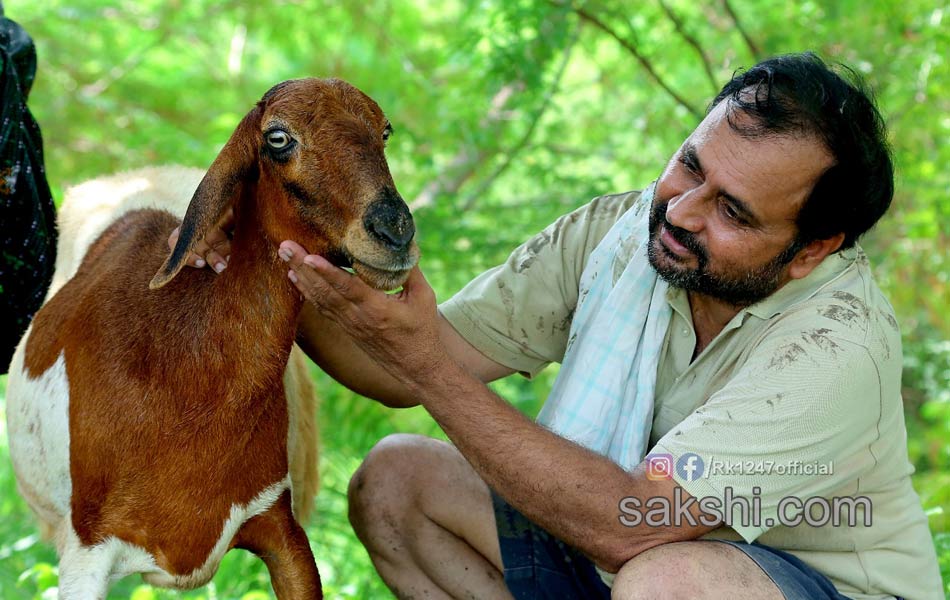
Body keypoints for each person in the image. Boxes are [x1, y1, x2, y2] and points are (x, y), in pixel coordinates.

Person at [177, 53, 943, 599]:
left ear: (812, 251)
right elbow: (408, 362)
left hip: (765, 581)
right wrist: (268, 252)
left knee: (665, 580)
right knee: (399, 481)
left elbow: (631, 526)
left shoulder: (839, 349)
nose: (681, 211)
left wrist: (428, 367)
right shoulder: (618, 237)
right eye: (690, 166)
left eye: (733, 211)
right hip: (622, 559)